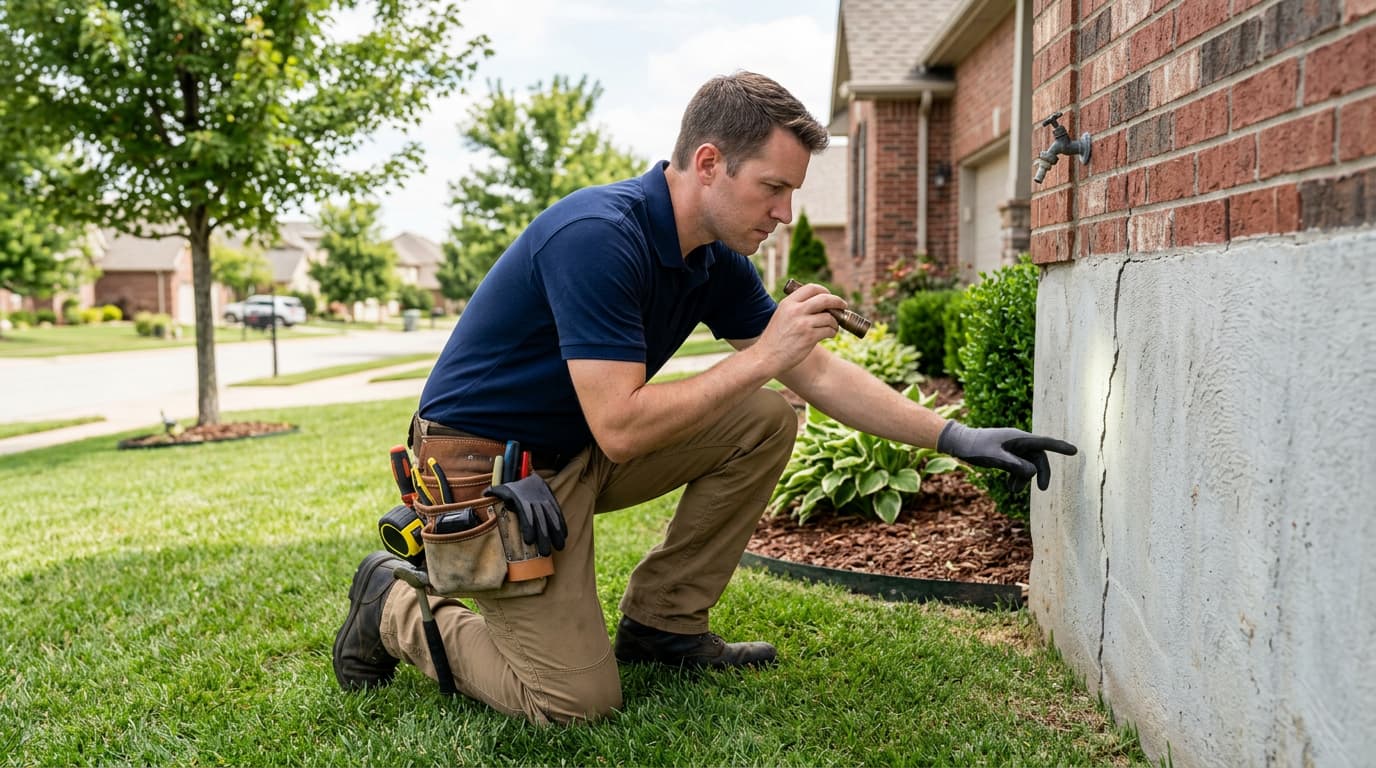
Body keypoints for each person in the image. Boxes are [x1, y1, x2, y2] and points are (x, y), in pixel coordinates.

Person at [332, 71, 1077, 725]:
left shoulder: (714, 258)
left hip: (576, 455)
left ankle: (663, 625)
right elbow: (622, 426)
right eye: (775, 187)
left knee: (761, 418)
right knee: (572, 706)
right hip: (491, 478)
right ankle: (393, 605)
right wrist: (767, 357)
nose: (786, 212)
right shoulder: (598, 236)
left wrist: (954, 436)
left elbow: (811, 374)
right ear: (710, 163)